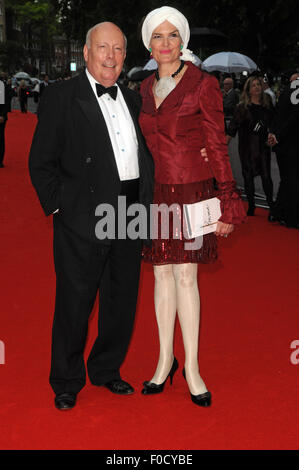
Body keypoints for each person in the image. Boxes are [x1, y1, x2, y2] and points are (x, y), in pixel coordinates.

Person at [29, 22, 154, 410]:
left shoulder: (133, 100)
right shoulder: (61, 96)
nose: (110, 56)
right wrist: (61, 209)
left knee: (121, 301)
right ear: (85, 52)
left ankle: (105, 369)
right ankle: (66, 379)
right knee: (75, 301)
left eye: (118, 49)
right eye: (103, 48)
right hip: (84, 215)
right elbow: (41, 162)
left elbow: (147, 156)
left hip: (130, 212)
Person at [138, 6, 246, 407]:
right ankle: (165, 360)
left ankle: (193, 368)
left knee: (186, 276)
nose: (165, 44)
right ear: (148, 43)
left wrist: (228, 196)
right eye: (157, 37)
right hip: (155, 192)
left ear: (183, 41)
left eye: (172, 36)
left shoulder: (203, 83)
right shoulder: (144, 88)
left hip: (191, 189)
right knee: (160, 274)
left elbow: (217, 143)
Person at [227, 76, 275, 216]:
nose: (257, 87)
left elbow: (273, 123)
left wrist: (272, 134)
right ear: (248, 89)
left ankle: (272, 208)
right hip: (247, 147)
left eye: (258, 84)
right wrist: (222, 146)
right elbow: (232, 128)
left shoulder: (267, 105)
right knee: (247, 176)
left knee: (266, 176)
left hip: (263, 147)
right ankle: (251, 206)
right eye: (253, 85)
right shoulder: (242, 107)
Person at [268, 71, 299, 228]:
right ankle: (291, 218)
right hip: (290, 146)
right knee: (292, 181)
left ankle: (277, 212)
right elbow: (293, 119)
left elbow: (277, 115)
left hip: (283, 146)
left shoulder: (286, 92)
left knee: (288, 180)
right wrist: (277, 135)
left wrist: (274, 134)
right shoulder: (292, 92)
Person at [0, 80, 8, 168]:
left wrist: (2, 115)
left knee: (0, 138)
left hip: (0, 118)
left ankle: (0, 160)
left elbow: (6, 102)